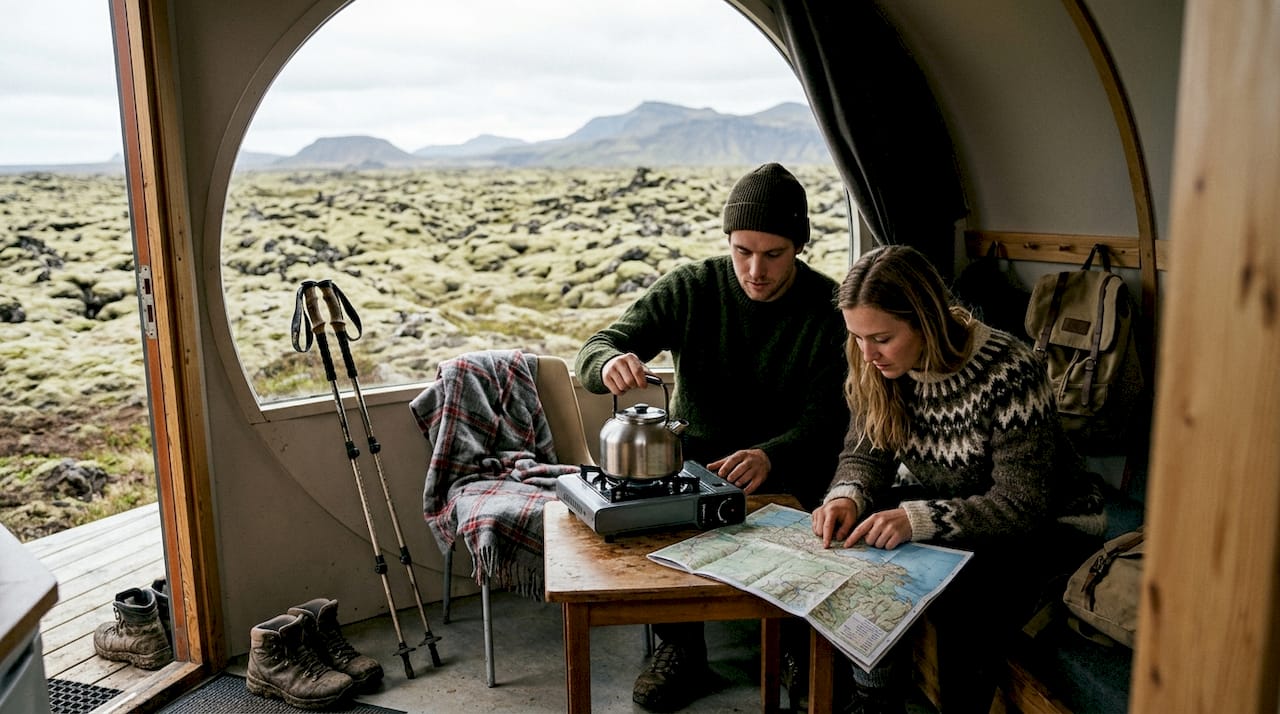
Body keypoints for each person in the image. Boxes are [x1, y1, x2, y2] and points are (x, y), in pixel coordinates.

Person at [574, 162, 850, 712]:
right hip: (692, 465)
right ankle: (681, 647)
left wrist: (773, 455)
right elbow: (597, 346)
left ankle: (798, 643)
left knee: (816, 517)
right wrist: (609, 364)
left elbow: (830, 420)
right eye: (742, 251)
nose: (755, 270)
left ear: (798, 246)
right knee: (646, 505)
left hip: (791, 464)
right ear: (727, 240)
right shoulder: (690, 286)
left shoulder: (830, 308)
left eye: (774, 254)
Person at [811, 244, 1108, 713]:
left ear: (924, 321)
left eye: (882, 338)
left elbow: (1021, 504)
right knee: (857, 538)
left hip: (1050, 523)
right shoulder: (877, 365)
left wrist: (914, 520)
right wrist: (847, 495)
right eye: (857, 337)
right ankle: (876, 698)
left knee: (966, 598)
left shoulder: (1009, 371)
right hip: (954, 499)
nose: (867, 354)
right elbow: (864, 453)